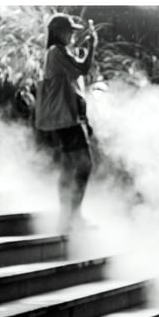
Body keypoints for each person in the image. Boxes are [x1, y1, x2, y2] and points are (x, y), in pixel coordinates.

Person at [35, 12, 98, 233]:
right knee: (84, 164)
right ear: (60, 32)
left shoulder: (57, 53)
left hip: (67, 119)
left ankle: (68, 217)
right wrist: (92, 46)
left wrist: (85, 120)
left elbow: (73, 91)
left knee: (69, 166)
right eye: (70, 31)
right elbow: (82, 68)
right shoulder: (56, 52)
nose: (72, 35)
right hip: (66, 121)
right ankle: (73, 215)